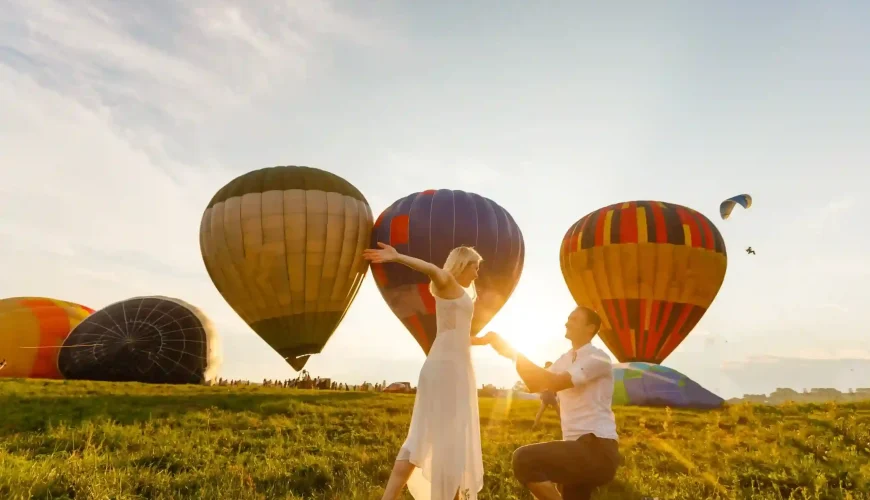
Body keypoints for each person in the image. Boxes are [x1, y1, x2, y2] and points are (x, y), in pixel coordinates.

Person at [363, 242, 489, 500]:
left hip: (454, 364)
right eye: (475, 267)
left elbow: (455, 333)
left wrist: (482, 340)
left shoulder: (460, 293)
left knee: (438, 435)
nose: (477, 273)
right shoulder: (448, 283)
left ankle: (442, 495)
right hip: (447, 368)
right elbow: (431, 269)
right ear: (463, 265)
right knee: (435, 435)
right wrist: (396, 257)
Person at [483, 306, 620, 500]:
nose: (566, 322)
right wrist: (511, 355)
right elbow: (537, 382)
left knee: (525, 459)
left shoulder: (598, 357)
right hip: (575, 448)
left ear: (590, 328)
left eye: (573, 319)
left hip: (598, 449)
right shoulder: (564, 359)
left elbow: (553, 382)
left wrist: (514, 353)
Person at [533, 362, 560, 430]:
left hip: (545, 394)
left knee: (541, 411)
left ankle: (535, 425)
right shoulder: (548, 374)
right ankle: (564, 424)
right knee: (558, 410)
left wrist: (542, 393)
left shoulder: (542, 375)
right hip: (549, 394)